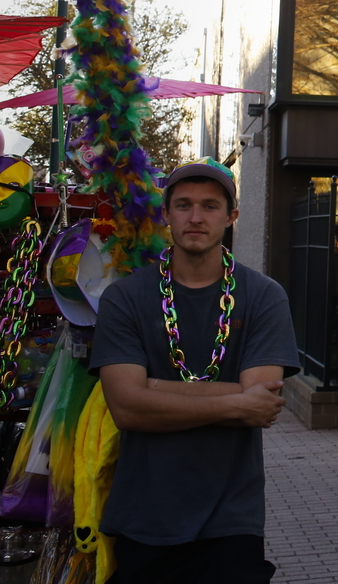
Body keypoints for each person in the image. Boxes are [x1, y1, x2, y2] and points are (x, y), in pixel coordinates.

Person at [91, 158, 299, 584]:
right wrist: (236, 399)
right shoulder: (125, 298)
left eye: (209, 206)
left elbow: (263, 404)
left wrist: (152, 387)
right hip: (144, 515)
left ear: (231, 216)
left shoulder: (263, 296)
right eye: (183, 205)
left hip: (231, 520)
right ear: (166, 215)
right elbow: (127, 409)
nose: (196, 217)